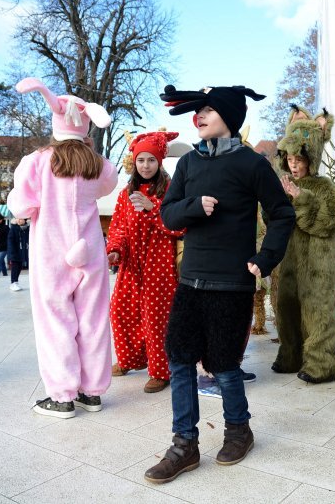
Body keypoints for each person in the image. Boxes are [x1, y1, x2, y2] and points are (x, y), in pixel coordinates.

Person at [143, 84, 295, 483]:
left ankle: (238, 430)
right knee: (179, 361)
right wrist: (196, 206)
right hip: (190, 280)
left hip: (232, 282)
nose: (200, 116)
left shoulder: (252, 164)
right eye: (199, 111)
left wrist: (265, 260)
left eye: (209, 110)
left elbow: (282, 214)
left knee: (225, 366)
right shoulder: (190, 164)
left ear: (229, 116)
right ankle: (184, 446)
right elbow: (168, 216)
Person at [7, 77, 117, 419]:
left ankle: (62, 395)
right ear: (85, 126)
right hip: (89, 249)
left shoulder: (38, 161)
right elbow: (107, 187)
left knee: (55, 319)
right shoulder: (98, 164)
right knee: (94, 320)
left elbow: (21, 207)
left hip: (52, 252)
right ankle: (92, 391)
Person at [107, 130, 184, 394]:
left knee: (156, 317)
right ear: (135, 162)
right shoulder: (125, 193)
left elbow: (179, 227)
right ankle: (130, 359)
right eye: (141, 160)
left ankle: (161, 371)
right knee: (120, 309)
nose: (146, 165)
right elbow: (118, 226)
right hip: (131, 263)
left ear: (160, 161)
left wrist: (153, 208)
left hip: (159, 263)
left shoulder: (172, 189)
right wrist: (115, 249)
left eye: (151, 160)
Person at [271, 106, 335, 384]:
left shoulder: (325, 187)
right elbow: (273, 219)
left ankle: (321, 364)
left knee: (318, 312)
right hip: (289, 261)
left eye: (299, 159)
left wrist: (301, 198)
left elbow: (326, 223)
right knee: (287, 308)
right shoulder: (285, 184)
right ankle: (290, 356)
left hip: (318, 263)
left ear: (310, 159)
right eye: (289, 158)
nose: (293, 164)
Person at [7, 218, 25, 291]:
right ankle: (13, 283)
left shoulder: (25, 228)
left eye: (22, 219)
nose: (20, 221)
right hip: (14, 251)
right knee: (15, 267)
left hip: (21, 251)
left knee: (19, 267)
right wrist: (12, 252)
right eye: (19, 219)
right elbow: (10, 240)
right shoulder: (14, 228)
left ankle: (16, 282)